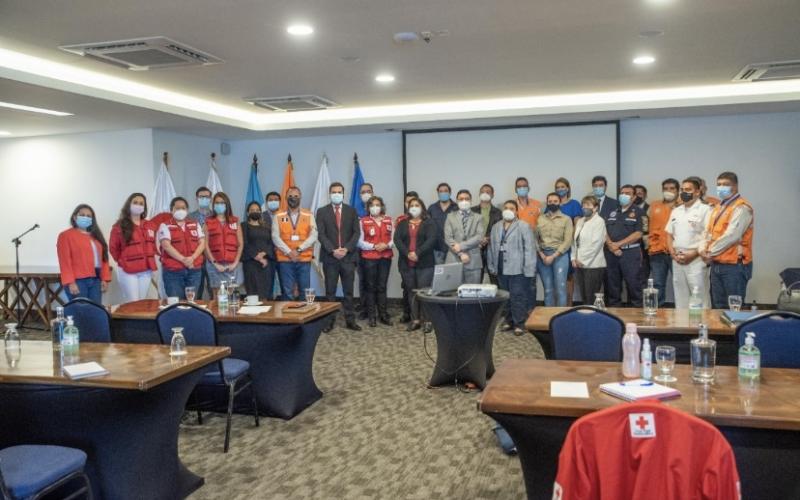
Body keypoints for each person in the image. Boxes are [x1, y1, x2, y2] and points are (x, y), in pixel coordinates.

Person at [699, 172, 753, 309]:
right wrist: (702, 249)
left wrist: (709, 252)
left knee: (734, 307)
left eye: (726, 185)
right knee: (718, 306)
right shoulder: (718, 207)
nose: (721, 187)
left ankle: (736, 331)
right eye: (719, 185)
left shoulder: (742, 207)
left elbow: (732, 236)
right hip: (717, 263)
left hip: (734, 265)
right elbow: (707, 232)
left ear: (735, 186)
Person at [316, 182, 361, 331]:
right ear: (330, 194)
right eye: (334, 192)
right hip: (330, 258)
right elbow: (321, 235)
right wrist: (333, 250)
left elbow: (356, 233)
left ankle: (350, 320)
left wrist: (346, 249)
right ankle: (329, 321)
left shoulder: (352, 211)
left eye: (339, 192)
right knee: (330, 292)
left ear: (343, 193)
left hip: (348, 257)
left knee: (348, 291)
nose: (337, 194)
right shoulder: (322, 211)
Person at [487, 200, 536, 336]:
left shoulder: (523, 226)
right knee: (506, 295)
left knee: (517, 295)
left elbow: (530, 249)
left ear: (516, 211)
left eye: (512, 208)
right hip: (501, 265)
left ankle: (520, 323)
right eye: (506, 208)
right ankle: (509, 321)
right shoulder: (496, 227)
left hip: (518, 267)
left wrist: (529, 268)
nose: (508, 210)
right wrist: (491, 265)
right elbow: (492, 247)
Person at [666, 178, 712, 308]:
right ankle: (682, 327)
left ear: (697, 192)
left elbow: (708, 236)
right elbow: (669, 234)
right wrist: (672, 254)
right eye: (682, 189)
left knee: (699, 297)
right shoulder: (676, 210)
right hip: (677, 258)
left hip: (696, 259)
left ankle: (702, 327)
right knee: (680, 297)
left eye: (688, 189)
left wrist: (693, 254)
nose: (684, 192)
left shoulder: (705, 210)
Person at [394, 197, 437, 332]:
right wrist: (408, 253)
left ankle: (428, 320)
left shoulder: (429, 223)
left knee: (425, 292)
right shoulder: (402, 223)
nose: (414, 207)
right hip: (406, 263)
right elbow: (397, 240)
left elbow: (431, 240)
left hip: (425, 263)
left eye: (417, 205)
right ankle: (415, 319)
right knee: (411, 292)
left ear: (422, 207)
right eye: (411, 205)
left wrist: (417, 252)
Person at [57, 204, 111, 303]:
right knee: (81, 312)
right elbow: (65, 261)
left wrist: (105, 278)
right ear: (74, 217)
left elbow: (104, 259)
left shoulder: (96, 236)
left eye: (88, 216)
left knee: (95, 310)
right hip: (78, 281)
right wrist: (70, 282)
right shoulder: (65, 236)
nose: (85, 217)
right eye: (82, 215)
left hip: (96, 280)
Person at [272, 186, 318, 301]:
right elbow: (275, 237)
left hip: (303, 259)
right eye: (290, 196)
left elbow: (314, 236)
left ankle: (304, 318)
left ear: (300, 197)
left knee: (304, 291)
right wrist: (289, 252)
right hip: (285, 260)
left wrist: (298, 250)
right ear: (286, 198)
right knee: (287, 292)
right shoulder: (278, 215)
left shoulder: (309, 214)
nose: (293, 198)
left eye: (296, 196)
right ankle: (289, 319)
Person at [109, 192, 157, 302]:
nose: (138, 205)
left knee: (141, 302)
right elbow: (113, 248)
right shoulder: (119, 226)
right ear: (128, 204)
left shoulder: (150, 225)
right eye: (135, 202)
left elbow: (153, 245)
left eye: (141, 203)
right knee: (133, 302)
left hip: (146, 271)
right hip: (128, 270)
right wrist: (123, 260)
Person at [604, 185, 645, 307]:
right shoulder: (612, 211)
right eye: (622, 193)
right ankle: (615, 316)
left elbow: (639, 233)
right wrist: (611, 246)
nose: (624, 195)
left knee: (633, 284)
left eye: (627, 193)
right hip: (611, 253)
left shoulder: (639, 212)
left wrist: (618, 245)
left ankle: (637, 316)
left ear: (633, 197)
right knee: (612, 285)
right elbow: (604, 230)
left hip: (630, 254)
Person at [158, 197, 205, 299]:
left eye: (183, 208)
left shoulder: (195, 224)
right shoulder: (165, 225)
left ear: (187, 210)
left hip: (194, 270)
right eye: (177, 208)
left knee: (192, 302)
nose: (181, 210)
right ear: (172, 210)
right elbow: (166, 245)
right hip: (173, 272)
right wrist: (183, 260)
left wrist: (192, 258)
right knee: (176, 303)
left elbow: (202, 243)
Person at [359, 196, 394, 327]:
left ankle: (383, 315)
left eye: (377, 204)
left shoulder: (389, 220)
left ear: (382, 206)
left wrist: (387, 245)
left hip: (385, 257)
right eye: (372, 205)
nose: (375, 207)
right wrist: (374, 246)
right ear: (368, 208)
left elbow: (393, 239)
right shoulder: (363, 221)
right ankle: (371, 316)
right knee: (370, 287)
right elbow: (359, 242)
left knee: (382, 286)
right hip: (369, 258)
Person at [535, 193, 574, 306]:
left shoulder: (566, 219)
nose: (552, 203)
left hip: (560, 256)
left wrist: (553, 256)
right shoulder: (540, 219)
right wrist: (542, 255)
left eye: (555, 201)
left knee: (561, 289)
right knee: (548, 289)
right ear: (547, 202)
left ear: (560, 202)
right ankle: (549, 319)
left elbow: (568, 241)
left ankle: (560, 319)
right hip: (543, 257)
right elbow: (535, 238)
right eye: (550, 201)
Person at [647, 178, 680, 305]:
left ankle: (681, 313)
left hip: (676, 252)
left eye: (672, 188)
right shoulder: (654, 205)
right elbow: (647, 226)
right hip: (657, 251)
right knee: (657, 284)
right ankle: (656, 310)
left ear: (677, 191)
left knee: (679, 283)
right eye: (666, 189)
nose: (668, 191)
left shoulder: (683, 206)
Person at [203, 192, 243, 294]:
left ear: (227, 204)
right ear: (213, 205)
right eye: (217, 203)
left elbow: (240, 244)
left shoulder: (235, 221)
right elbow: (205, 245)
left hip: (232, 265)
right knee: (218, 297)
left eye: (222, 202)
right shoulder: (208, 222)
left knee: (231, 295)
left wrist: (235, 263)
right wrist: (215, 263)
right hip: (215, 265)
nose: (219, 205)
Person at [571, 196, 607, 304]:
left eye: (588, 205)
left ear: (595, 208)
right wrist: (573, 258)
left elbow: (596, 245)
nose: (584, 207)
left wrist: (582, 260)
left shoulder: (599, 221)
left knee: (591, 298)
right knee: (584, 297)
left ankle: (593, 319)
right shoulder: (581, 221)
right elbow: (574, 241)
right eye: (583, 205)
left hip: (593, 265)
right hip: (579, 264)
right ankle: (585, 318)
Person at [444, 189, 485, 284]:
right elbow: (448, 238)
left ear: (471, 201)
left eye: (467, 199)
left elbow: (479, 236)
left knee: (472, 293)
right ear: (457, 201)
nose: (464, 201)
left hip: (473, 261)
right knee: (452, 293)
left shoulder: (478, 217)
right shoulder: (450, 217)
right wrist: (461, 253)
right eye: (461, 199)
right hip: (453, 259)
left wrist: (461, 246)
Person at [515, 176, 542, 312]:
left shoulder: (537, 205)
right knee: (518, 282)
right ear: (515, 189)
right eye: (519, 186)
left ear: (529, 188)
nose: (522, 188)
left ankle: (531, 311)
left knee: (531, 282)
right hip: (515, 250)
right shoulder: (510, 206)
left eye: (524, 186)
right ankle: (519, 312)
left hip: (532, 249)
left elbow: (542, 225)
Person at [241, 201, 275, 300]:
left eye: (257, 210)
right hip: (251, 264)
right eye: (252, 210)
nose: (255, 212)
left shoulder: (267, 226)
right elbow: (244, 244)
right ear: (247, 213)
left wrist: (264, 254)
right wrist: (258, 257)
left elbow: (271, 243)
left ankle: (266, 315)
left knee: (266, 294)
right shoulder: (244, 226)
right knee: (253, 295)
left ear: (261, 212)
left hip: (266, 264)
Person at [471, 184, 502, 284]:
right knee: (476, 280)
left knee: (495, 279)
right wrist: (479, 240)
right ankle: (475, 300)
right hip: (475, 248)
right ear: (479, 194)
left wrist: (487, 238)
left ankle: (497, 300)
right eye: (483, 192)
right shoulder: (471, 211)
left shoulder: (498, 212)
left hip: (492, 248)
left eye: (488, 192)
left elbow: (499, 230)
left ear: (492, 195)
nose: (485, 194)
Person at [397, 190, 419, 323]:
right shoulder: (401, 220)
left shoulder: (425, 219)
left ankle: (419, 315)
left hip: (421, 260)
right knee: (407, 287)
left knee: (420, 288)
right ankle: (407, 313)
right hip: (405, 260)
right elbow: (397, 240)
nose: (411, 205)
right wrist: (408, 253)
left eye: (414, 202)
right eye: (408, 202)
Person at [189, 186, 213, 299]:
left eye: (207, 197)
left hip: (213, 258)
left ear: (211, 198)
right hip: (196, 258)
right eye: (201, 197)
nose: (204, 199)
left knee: (214, 290)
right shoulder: (189, 217)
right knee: (196, 291)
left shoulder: (216, 216)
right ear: (196, 198)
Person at [355, 183, 375, 319]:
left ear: (373, 193)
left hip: (376, 252)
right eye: (363, 192)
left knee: (374, 282)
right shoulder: (354, 209)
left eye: (368, 191)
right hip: (359, 251)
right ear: (359, 194)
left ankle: (376, 309)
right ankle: (364, 309)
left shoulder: (378, 208)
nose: (366, 194)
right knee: (363, 280)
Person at [428, 182, 458, 264]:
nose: (443, 193)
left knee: (453, 274)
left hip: (453, 248)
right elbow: (427, 227)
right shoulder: (432, 208)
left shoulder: (457, 208)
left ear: (450, 192)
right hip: (437, 248)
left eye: (446, 191)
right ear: (438, 193)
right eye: (441, 191)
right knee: (439, 274)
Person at [262, 191, 282, 298]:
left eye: (276, 200)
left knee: (286, 287)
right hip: (268, 256)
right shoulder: (261, 217)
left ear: (280, 202)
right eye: (270, 200)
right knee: (267, 287)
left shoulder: (285, 216)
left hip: (283, 256)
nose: (273, 202)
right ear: (266, 202)